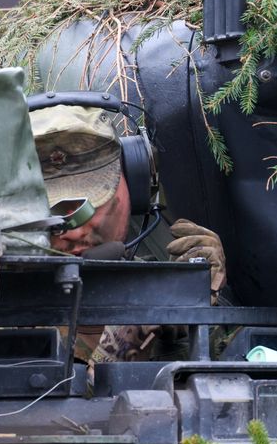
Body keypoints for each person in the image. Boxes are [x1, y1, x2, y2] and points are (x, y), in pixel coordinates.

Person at [30, 105, 227, 361]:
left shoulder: (163, 292)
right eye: (52, 213)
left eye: (91, 204)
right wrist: (121, 346)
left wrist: (192, 315)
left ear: (135, 184)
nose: (75, 231)